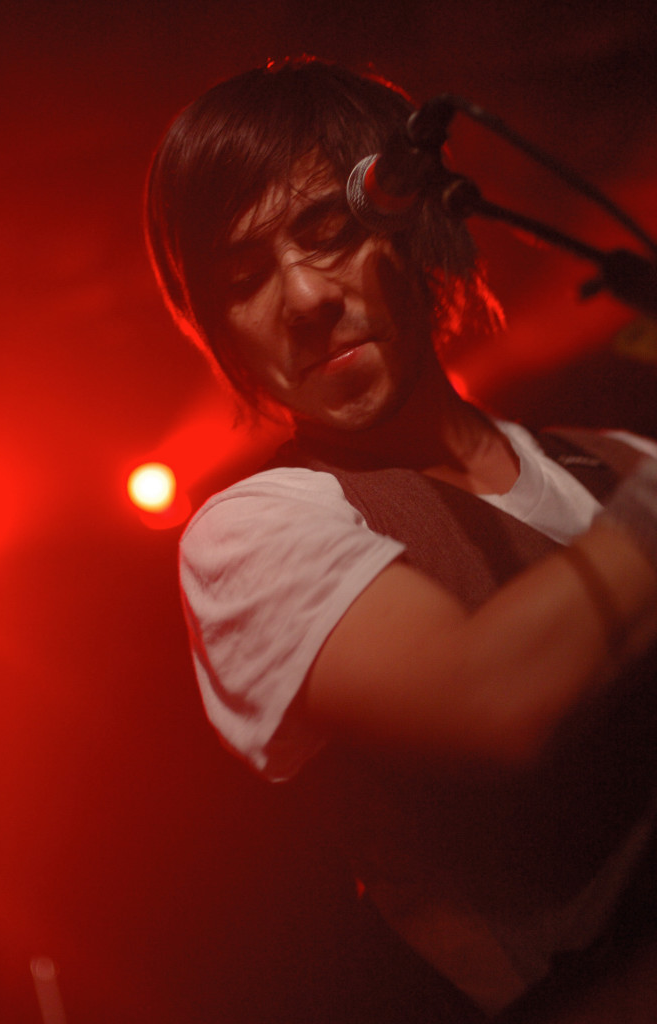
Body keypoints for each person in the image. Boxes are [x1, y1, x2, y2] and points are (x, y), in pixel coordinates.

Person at [145, 56, 657, 1020]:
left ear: (414, 222)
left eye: (330, 233)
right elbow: (491, 701)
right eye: (245, 278)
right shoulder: (252, 535)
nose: (304, 297)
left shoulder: (619, 460)